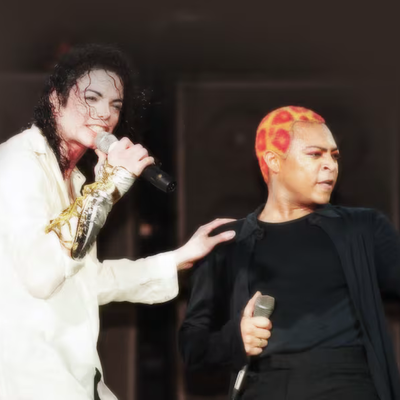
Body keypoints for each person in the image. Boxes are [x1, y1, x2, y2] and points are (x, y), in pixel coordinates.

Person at [0, 44, 235, 400]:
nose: (104, 114)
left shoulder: (77, 181)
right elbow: (41, 273)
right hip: (29, 378)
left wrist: (178, 258)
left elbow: (88, 280)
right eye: (91, 98)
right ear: (55, 100)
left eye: (115, 105)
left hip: (74, 374)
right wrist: (108, 189)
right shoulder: (18, 162)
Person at [179, 106, 400, 400]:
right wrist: (236, 338)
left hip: (348, 386)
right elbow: (193, 347)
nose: (330, 165)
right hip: (264, 388)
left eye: (334, 156)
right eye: (315, 154)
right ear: (274, 161)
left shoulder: (363, 228)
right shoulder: (228, 242)